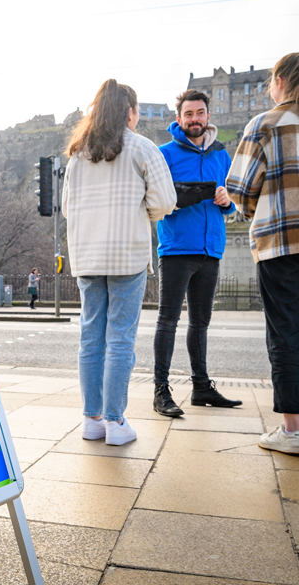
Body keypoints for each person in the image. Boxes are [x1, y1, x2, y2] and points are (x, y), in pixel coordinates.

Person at [63, 79, 176, 445]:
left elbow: (67, 208)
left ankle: (91, 419)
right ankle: (115, 422)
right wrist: (137, 210)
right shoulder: (142, 148)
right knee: (120, 340)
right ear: (129, 112)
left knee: (90, 338)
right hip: (127, 253)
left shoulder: (78, 154)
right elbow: (165, 203)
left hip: (88, 256)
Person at [152, 90, 242, 417]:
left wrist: (225, 201)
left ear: (208, 116)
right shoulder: (164, 153)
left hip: (211, 249)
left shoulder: (221, 155)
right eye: (188, 114)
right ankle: (160, 390)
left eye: (200, 113)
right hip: (176, 248)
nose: (194, 119)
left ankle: (201, 387)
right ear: (179, 119)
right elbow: (155, 199)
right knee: (168, 320)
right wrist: (187, 195)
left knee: (200, 323)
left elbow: (233, 203)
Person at [226, 53, 299, 455]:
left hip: (281, 243)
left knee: (286, 332)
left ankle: (292, 429)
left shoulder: (266, 124)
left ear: (281, 82)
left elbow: (238, 187)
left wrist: (257, 208)